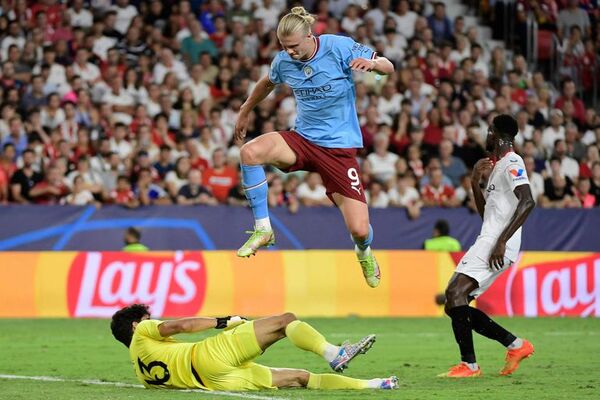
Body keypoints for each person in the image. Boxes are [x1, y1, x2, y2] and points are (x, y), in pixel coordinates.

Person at [233, 7, 394, 288]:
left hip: (338, 150)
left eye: (294, 46)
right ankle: (263, 229)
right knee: (250, 152)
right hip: (303, 140)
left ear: (310, 35)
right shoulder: (283, 61)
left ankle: (364, 252)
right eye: (284, 47)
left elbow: (388, 66)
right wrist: (246, 109)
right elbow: (266, 83)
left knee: (358, 230)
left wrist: (375, 65)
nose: (290, 53)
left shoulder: (338, 46)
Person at [439, 115, 536, 378]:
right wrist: (474, 183)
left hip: (497, 242)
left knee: (454, 292)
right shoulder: (497, 168)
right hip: (489, 237)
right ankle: (516, 345)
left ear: (495, 134)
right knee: (454, 304)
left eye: (488, 130)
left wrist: (502, 241)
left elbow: (528, 201)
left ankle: (469, 366)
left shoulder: (513, 162)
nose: (486, 134)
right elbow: (488, 216)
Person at [111, 304, 399, 391]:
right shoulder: (144, 332)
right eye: (147, 319)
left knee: (300, 378)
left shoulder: (141, 373)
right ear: (136, 326)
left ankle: (377, 385)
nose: (153, 321)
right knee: (285, 321)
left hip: (217, 382)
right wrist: (223, 321)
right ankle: (333, 353)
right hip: (209, 355)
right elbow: (181, 327)